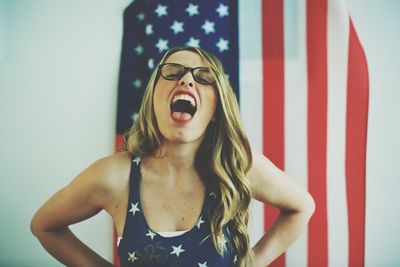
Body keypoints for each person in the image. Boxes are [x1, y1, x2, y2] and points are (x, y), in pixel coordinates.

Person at [31, 47, 315, 267]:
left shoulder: (237, 164)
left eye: (204, 78)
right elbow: (44, 225)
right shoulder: (114, 175)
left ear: (216, 109)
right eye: (173, 71)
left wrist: (250, 264)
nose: (187, 79)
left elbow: (302, 207)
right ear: (153, 97)